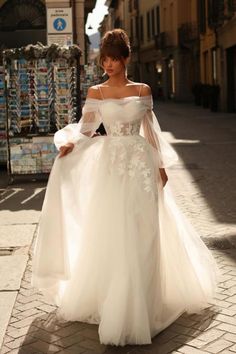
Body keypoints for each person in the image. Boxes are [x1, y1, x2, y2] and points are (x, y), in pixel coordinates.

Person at [32, 29, 219, 347]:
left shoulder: (143, 89)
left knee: (144, 230)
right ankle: (117, 299)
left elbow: (151, 129)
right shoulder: (97, 91)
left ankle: (144, 302)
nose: (108, 64)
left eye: (114, 59)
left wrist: (160, 167)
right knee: (113, 230)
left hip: (141, 164)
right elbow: (87, 130)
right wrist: (68, 146)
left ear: (125, 58)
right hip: (111, 167)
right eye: (104, 59)